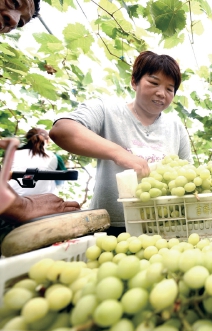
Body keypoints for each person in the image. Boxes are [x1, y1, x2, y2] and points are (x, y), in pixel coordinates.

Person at [50, 51, 193, 235]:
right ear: (134, 82)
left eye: (169, 89)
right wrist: (120, 154)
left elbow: (188, 173)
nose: (161, 93)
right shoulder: (107, 110)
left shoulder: (176, 127)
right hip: (108, 226)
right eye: (154, 83)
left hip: (161, 227)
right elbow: (62, 130)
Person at [0, 0, 80, 229]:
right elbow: (60, 182)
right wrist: (21, 206)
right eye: (13, 2)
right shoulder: (55, 159)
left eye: (21, 21)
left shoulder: (13, 156)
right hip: (23, 217)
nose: (14, 21)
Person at [8, 128, 58, 196]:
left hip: (15, 197)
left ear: (27, 138)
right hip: (44, 199)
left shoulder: (14, 153)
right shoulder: (53, 156)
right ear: (48, 141)